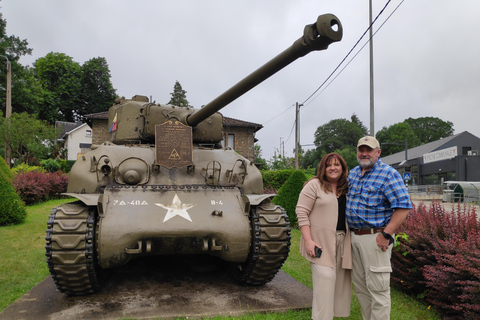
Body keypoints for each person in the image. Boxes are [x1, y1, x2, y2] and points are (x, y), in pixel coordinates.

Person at [346, 136, 412, 320]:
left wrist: (387, 234)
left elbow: (403, 206)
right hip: (354, 237)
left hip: (375, 238)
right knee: (361, 288)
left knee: (378, 289)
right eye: (361, 150)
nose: (364, 153)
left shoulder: (388, 174)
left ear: (378, 152)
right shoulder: (352, 173)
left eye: (369, 150)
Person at [296, 153, 352, 320]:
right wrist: (308, 241)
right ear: (323, 168)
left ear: (343, 168)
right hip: (319, 242)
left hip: (343, 241)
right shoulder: (314, 185)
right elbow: (301, 212)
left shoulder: (348, 187)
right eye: (329, 165)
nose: (333, 168)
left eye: (337, 165)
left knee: (340, 285)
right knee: (325, 281)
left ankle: (332, 316)